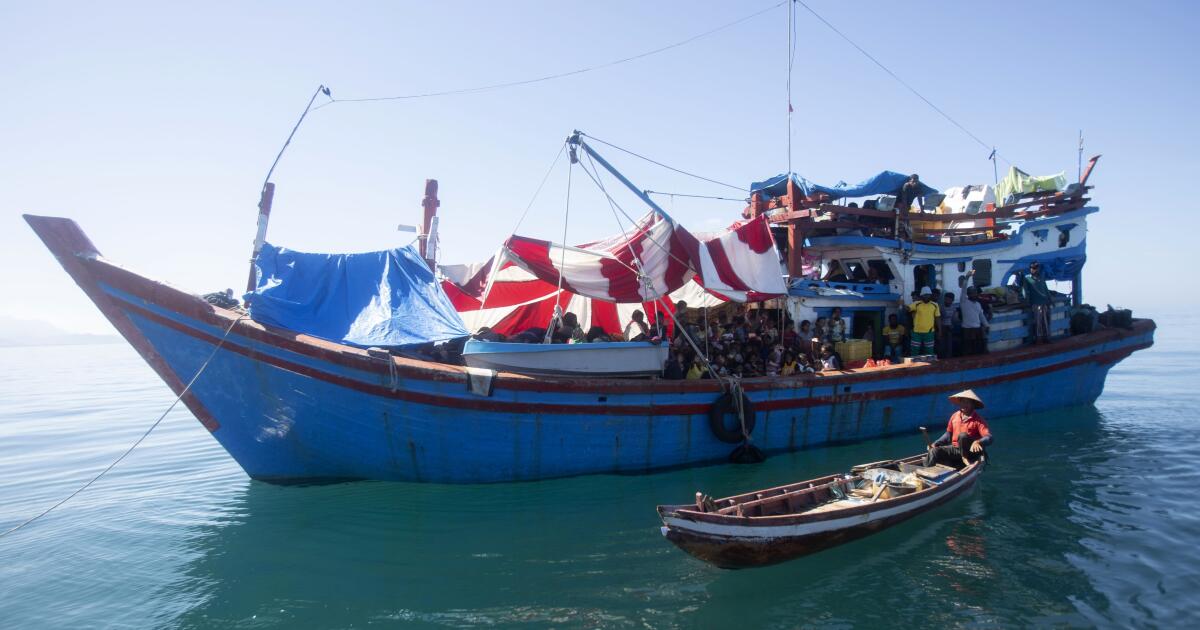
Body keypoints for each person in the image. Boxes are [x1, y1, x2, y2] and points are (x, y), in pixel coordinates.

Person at [924, 389, 992, 469]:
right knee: (933, 451)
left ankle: (965, 458)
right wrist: (936, 443)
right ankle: (925, 472)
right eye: (962, 402)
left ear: (973, 404)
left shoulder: (978, 420)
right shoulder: (955, 416)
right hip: (956, 449)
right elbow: (948, 434)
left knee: (962, 436)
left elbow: (989, 437)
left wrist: (978, 442)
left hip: (970, 452)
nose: (964, 404)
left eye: (967, 402)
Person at [1020, 261, 1052, 343]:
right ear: (1030, 269)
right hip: (1036, 303)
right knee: (1038, 321)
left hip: (1044, 302)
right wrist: (1027, 301)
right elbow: (1025, 291)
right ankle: (1039, 338)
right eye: (1033, 268)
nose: (1035, 269)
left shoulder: (1041, 278)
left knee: (1046, 320)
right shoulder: (1027, 279)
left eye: (1037, 267)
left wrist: (1050, 299)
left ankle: (1047, 337)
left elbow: (1046, 289)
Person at [904, 286, 940, 357]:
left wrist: (940, 331)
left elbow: (938, 318)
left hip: (929, 333)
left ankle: (930, 367)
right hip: (916, 332)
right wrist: (902, 304)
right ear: (922, 295)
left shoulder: (935, 305)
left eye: (928, 295)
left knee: (929, 351)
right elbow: (908, 309)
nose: (927, 296)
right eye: (925, 295)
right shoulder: (916, 303)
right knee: (914, 351)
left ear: (930, 295)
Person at [960, 286, 989, 355]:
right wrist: (967, 278)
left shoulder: (978, 304)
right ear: (968, 294)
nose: (974, 295)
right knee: (967, 350)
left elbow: (981, 316)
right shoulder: (964, 302)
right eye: (971, 293)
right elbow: (963, 291)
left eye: (975, 293)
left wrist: (987, 325)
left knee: (977, 350)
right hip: (966, 329)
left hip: (977, 329)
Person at [938, 292, 959, 359]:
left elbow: (954, 318)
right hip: (942, 327)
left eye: (949, 299)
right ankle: (941, 357)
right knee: (942, 344)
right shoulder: (941, 307)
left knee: (949, 344)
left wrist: (953, 323)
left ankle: (949, 357)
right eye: (946, 299)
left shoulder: (954, 307)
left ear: (952, 300)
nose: (947, 301)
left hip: (950, 327)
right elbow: (939, 318)